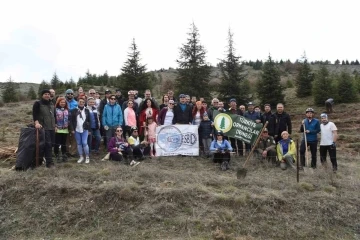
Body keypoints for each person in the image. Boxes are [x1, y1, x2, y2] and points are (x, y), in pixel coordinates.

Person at [32, 89, 56, 168]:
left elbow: (54, 115)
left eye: (48, 94)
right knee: (48, 144)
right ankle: (49, 163)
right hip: (43, 127)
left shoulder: (52, 104)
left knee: (51, 144)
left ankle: (45, 159)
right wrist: (36, 123)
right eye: (45, 94)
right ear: (42, 95)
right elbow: (34, 114)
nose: (47, 95)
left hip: (51, 127)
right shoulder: (38, 103)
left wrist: (55, 125)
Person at [70, 98, 91, 164]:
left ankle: (87, 157)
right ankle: (81, 156)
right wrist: (72, 129)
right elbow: (71, 121)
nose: (81, 103)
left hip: (84, 129)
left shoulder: (87, 110)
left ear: (84, 103)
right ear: (78, 102)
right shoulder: (74, 110)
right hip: (77, 129)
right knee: (79, 143)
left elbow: (89, 120)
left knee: (84, 143)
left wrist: (89, 129)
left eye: (83, 102)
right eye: (80, 102)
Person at [54, 97, 70, 163]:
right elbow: (54, 118)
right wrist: (55, 126)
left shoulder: (67, 110)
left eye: (64, 102)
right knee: (57, 143)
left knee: (64, 143)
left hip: (65, 129)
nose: (63, 103)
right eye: (61, 102)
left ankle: (64, 154)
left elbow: (69, 118)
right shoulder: (55, 110)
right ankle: (57, 154)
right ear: (58, 102)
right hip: (58, 128)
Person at [65, 89, 78, 157]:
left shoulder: (76, 103)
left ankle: (73, 152)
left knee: (74, 138)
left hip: (74, 122)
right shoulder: (63, 102)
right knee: (66, 138)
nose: (70, 95)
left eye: (71, 94)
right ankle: (66, 151)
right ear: (66, 94)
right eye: (68, 93)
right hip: (65, 122)